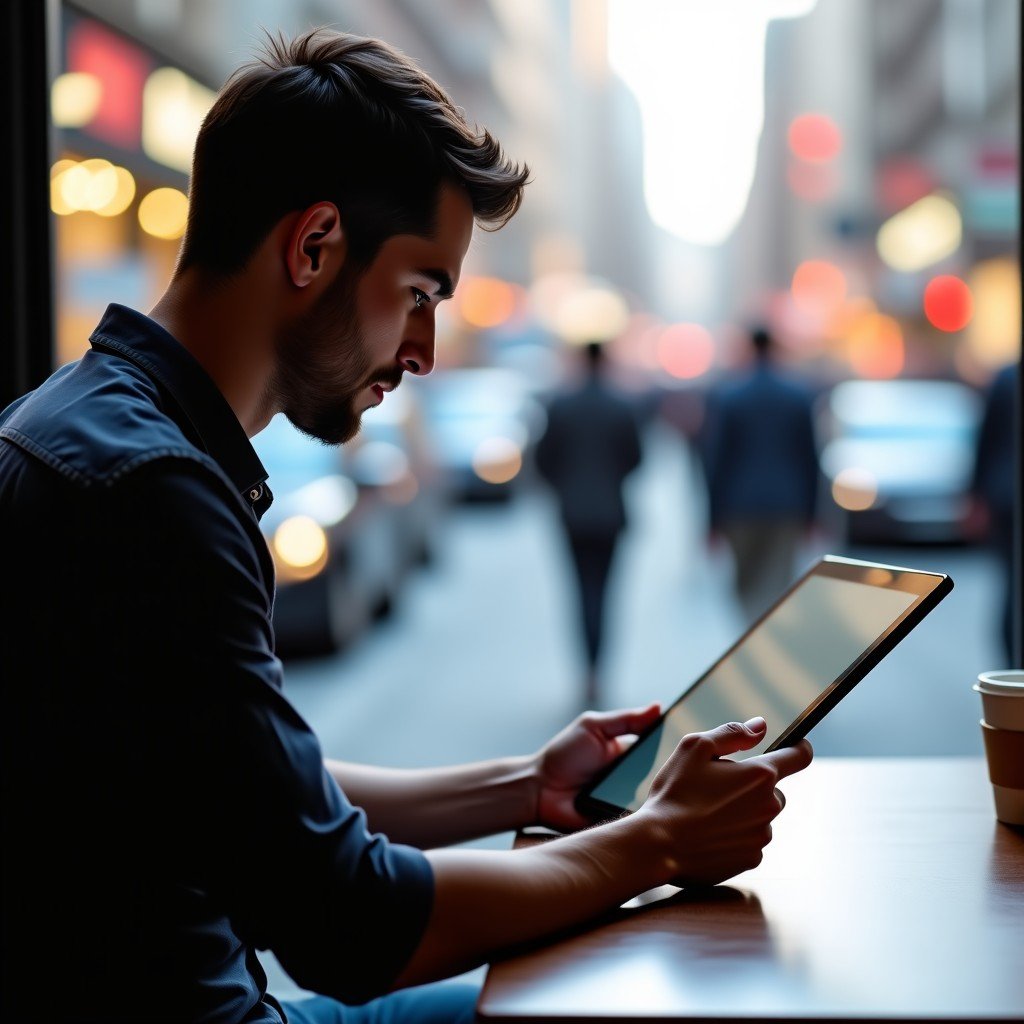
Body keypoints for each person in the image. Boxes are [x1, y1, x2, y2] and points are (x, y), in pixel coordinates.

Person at [0, 28, 812, 1024]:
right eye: (420, 293)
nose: (425, 349)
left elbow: (249, 786)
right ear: (312, 247)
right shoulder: (153, 493)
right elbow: (348, 923)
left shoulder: (77, 423)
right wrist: (656, 842)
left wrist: (524, 785)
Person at [534, 340, 644, 709]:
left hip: (573, 514)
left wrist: (566, 488)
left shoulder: (562, 405)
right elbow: (636, 457)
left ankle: (588, 670)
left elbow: (543, 460)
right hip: (610, 513)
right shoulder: (621, 406)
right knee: (606, 593)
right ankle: (599, 669)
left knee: (581, 592)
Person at [702, 324, 821, 624]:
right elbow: (809, 457)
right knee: (778, 581)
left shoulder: (730, 396)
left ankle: (751, 631)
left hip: (739, 506)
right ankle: (766, 633)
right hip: (786, 504)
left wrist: (711, 519)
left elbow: (716, 461)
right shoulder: (797, 396)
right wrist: (813, 513)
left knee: (745, 581)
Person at [968, 361, 1019, 665]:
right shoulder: (1006, 376)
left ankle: (1012, 671)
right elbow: (987, 439)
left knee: (1013, 586)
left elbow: (985, 440)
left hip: (1005, 497)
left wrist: (976, 495)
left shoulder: (1007, 375)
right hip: (1007, 501)